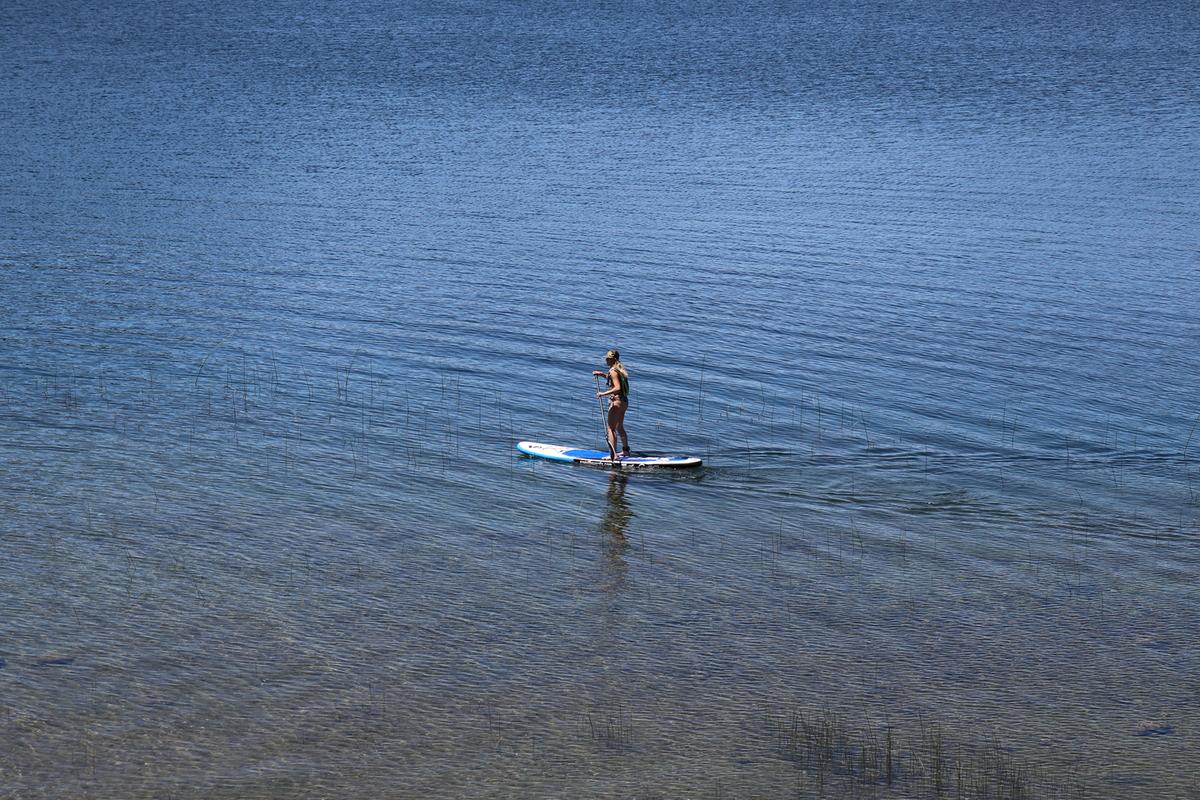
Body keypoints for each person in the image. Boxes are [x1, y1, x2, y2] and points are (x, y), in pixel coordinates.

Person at [592, 349, 630, 461]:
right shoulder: (619, 370)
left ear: (613, 359)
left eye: (608, 358)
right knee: (619, 427)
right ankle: (626, 451)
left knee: (611, 428)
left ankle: (613, 455)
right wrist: (602, 374)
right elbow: (615, 381)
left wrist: (603, 394)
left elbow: (617, 388)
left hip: (616, 402)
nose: (606, 360)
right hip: (624, 402)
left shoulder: (613, 371)